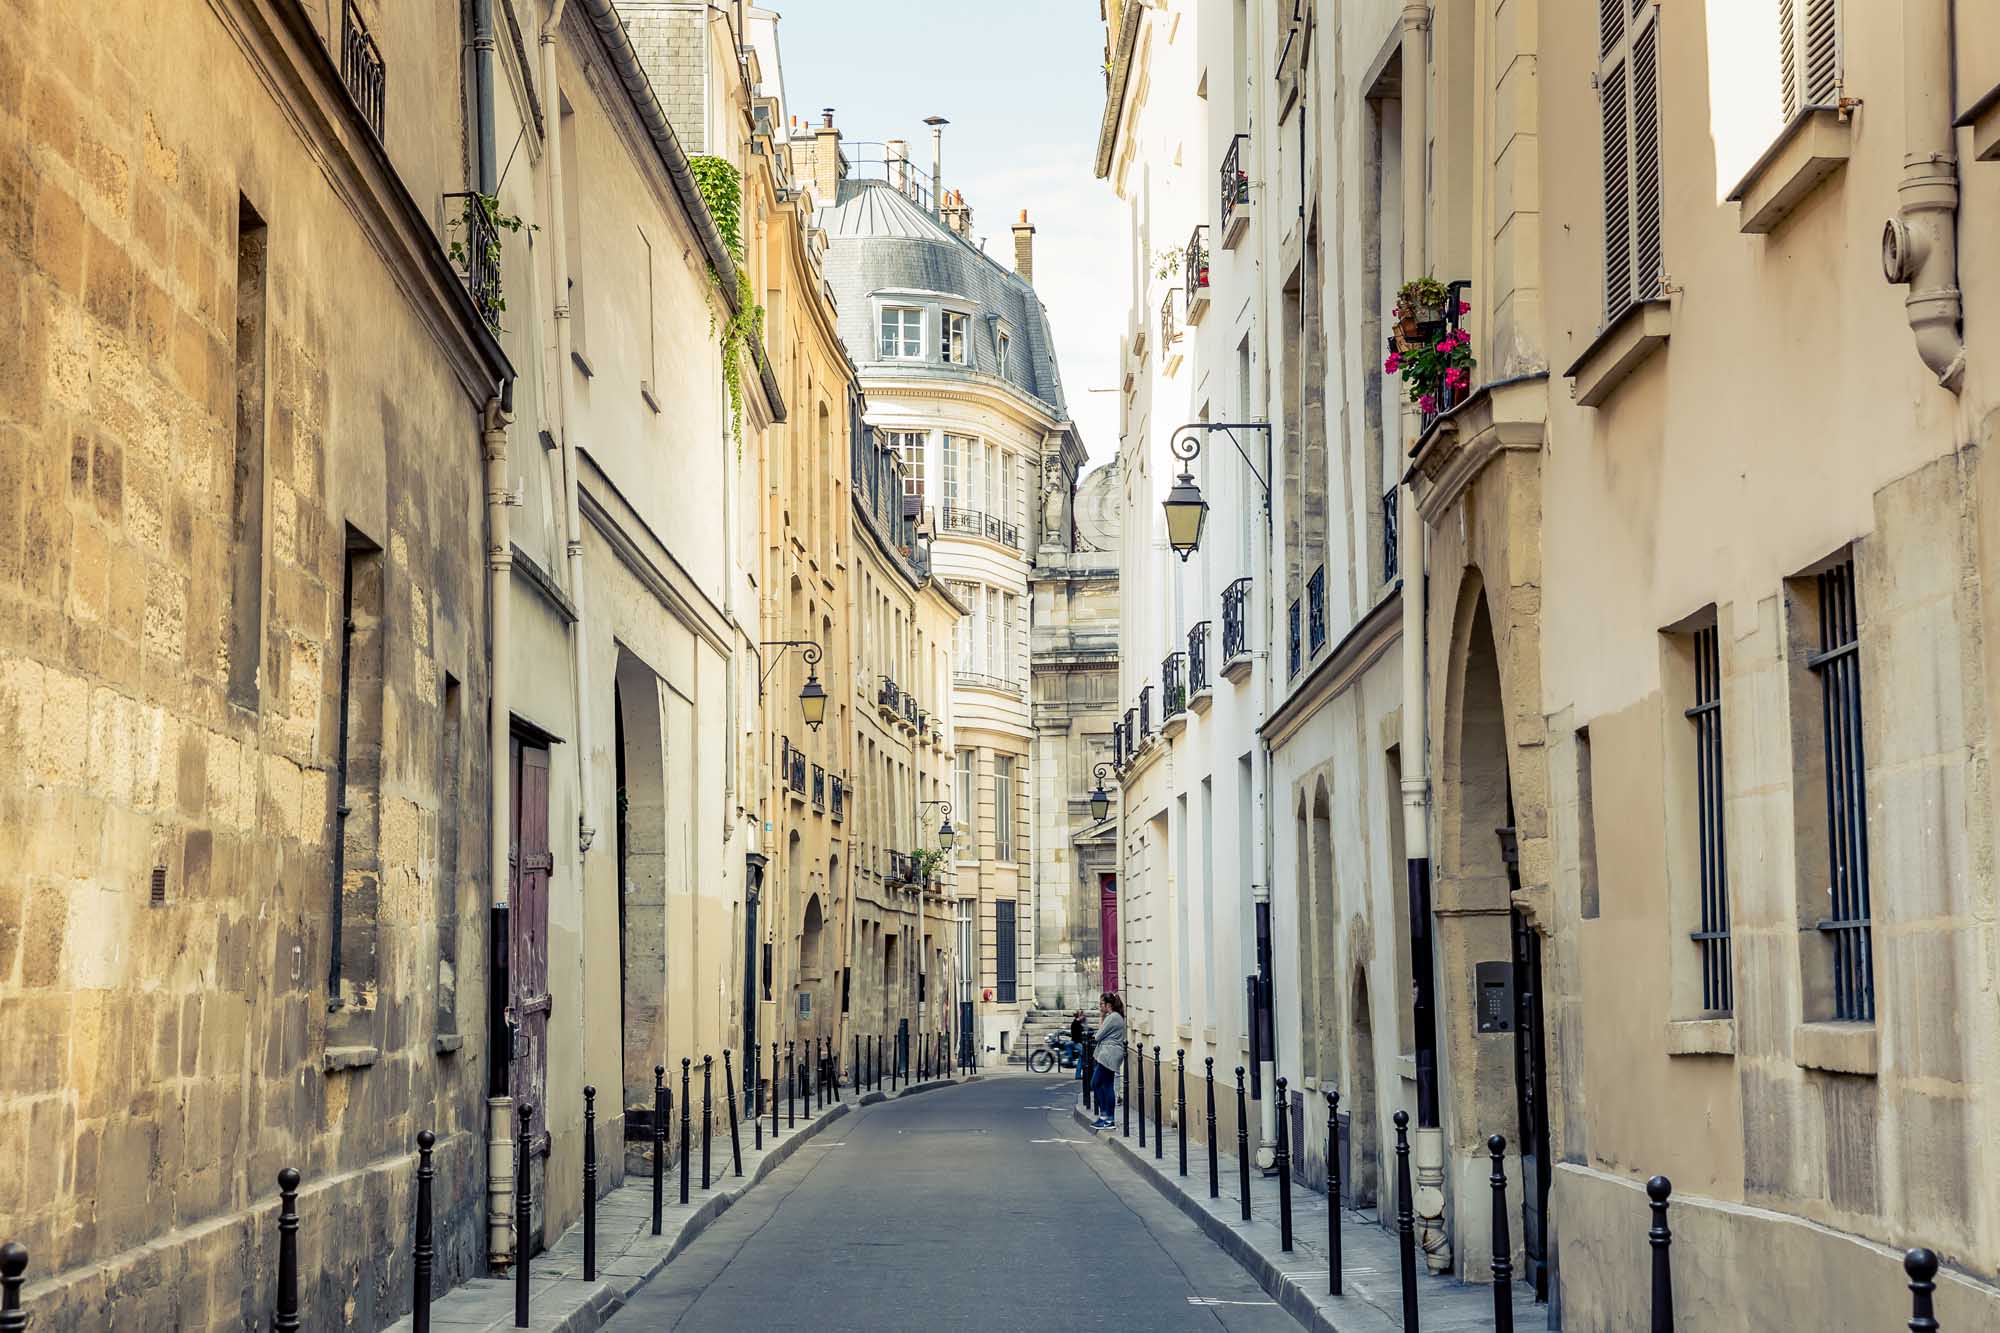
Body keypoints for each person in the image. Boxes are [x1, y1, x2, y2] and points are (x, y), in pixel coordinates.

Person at [1091, 993, 1125, 1128]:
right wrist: (1102, 1016)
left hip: (1109, 1054)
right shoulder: (1113, 1017)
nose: (1100, 1006)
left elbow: (1098, 1036)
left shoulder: (1113, 1018)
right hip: (1110, 1054)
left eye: (1101, 1004)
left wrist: (1101, 1016)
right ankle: (1106, 1117)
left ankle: (1107, 1118)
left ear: (1108, 1005)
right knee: (1104, 1084)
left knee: (1097, 1083)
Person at [1069, 1010, 1086, 1081]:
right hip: (1076, 1043)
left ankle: (1078, 1075)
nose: (1084, 1017)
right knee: (1084, 1054)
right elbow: (1078, 1035)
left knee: (1081, 1058)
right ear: (1080, 1016)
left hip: (1077, 1042)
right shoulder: (1076, 1023)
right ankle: (1079, 1074)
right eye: (1082, 1015)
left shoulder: (1076, 1023)